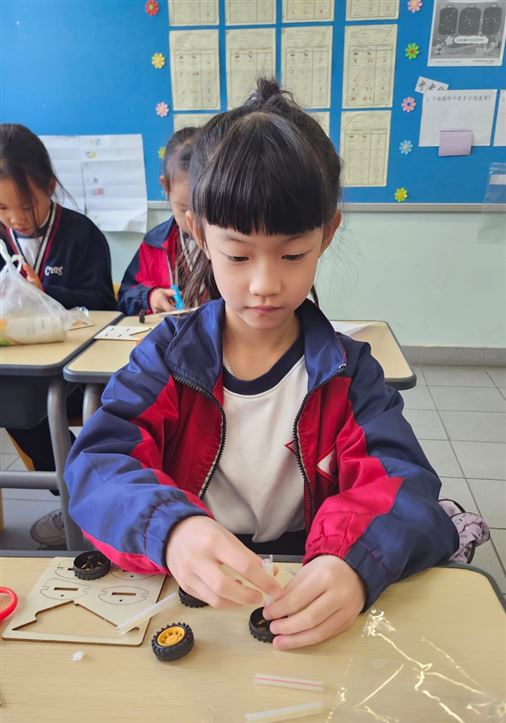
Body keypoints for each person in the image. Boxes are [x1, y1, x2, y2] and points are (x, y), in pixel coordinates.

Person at [65, 79, 458, 649]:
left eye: (293, 254)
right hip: (189, 580)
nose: (265, 284)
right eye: (238, 254)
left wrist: (353, 562)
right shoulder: (167, 358)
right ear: (198, 234)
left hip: (306, 573)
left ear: (328, 234)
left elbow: (403, 486)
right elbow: (98, 466)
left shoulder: (348, 373)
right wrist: (170, 529)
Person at [0, 123, 116, 546]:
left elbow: (104, 304)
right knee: (14, 404)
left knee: (36, 406)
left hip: (70, 373)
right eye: (2, 208)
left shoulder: (81, 235)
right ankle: (75, 493)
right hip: (15, 370)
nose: (16, 219)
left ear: (50, 187)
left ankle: (80, 496)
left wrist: (47, 293)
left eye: (27, 205)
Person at [117, 127, 205, 314]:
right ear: (165, 186)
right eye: (184, 209)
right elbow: (125, 296)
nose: (194, 222)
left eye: (204, 210)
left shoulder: (234, 245)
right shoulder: (154, 243)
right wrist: (150, 296)